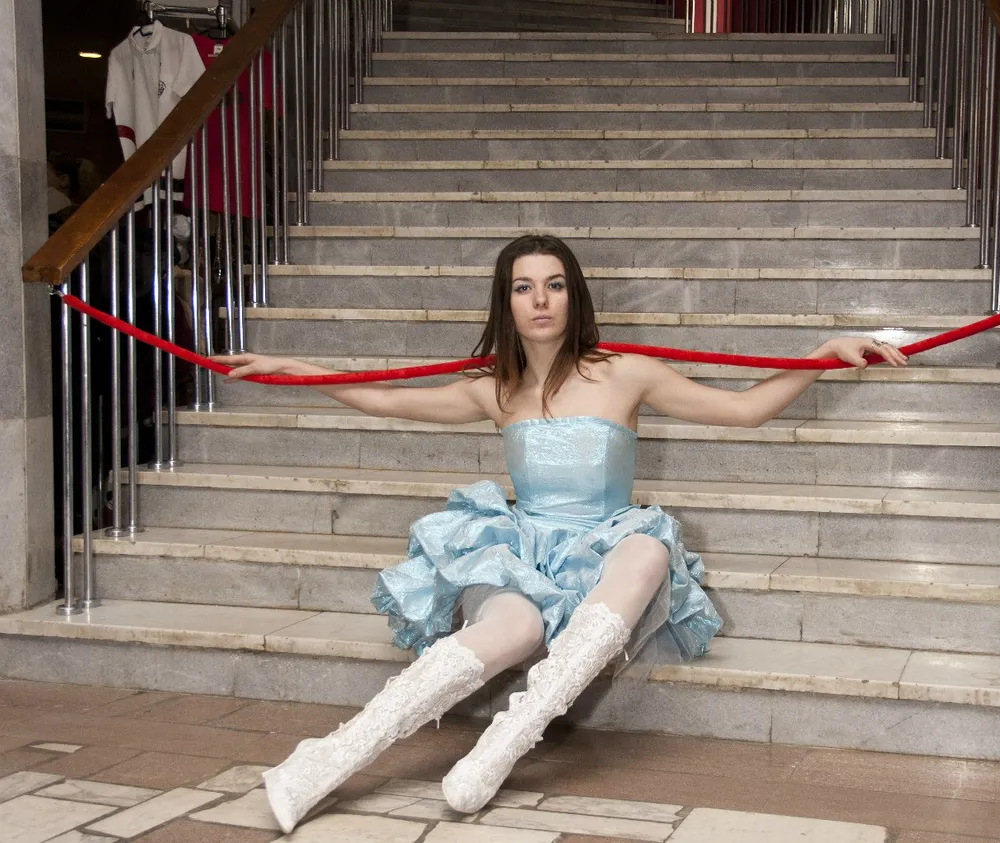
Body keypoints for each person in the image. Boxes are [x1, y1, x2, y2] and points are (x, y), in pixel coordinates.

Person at [216, 234, 907, 832]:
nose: (540, 300)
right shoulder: (493, 387)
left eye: (554, 285)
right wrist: (303, 372)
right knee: (515, 629)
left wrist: (822, 353)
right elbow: (385, 399)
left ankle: (501, 746)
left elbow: (746, 410)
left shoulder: (626, 373)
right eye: (524, 287)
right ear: (507, 302)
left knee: (650, 546)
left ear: (574, 296)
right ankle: (325, 759)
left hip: (605, 546)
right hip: (521, 551)